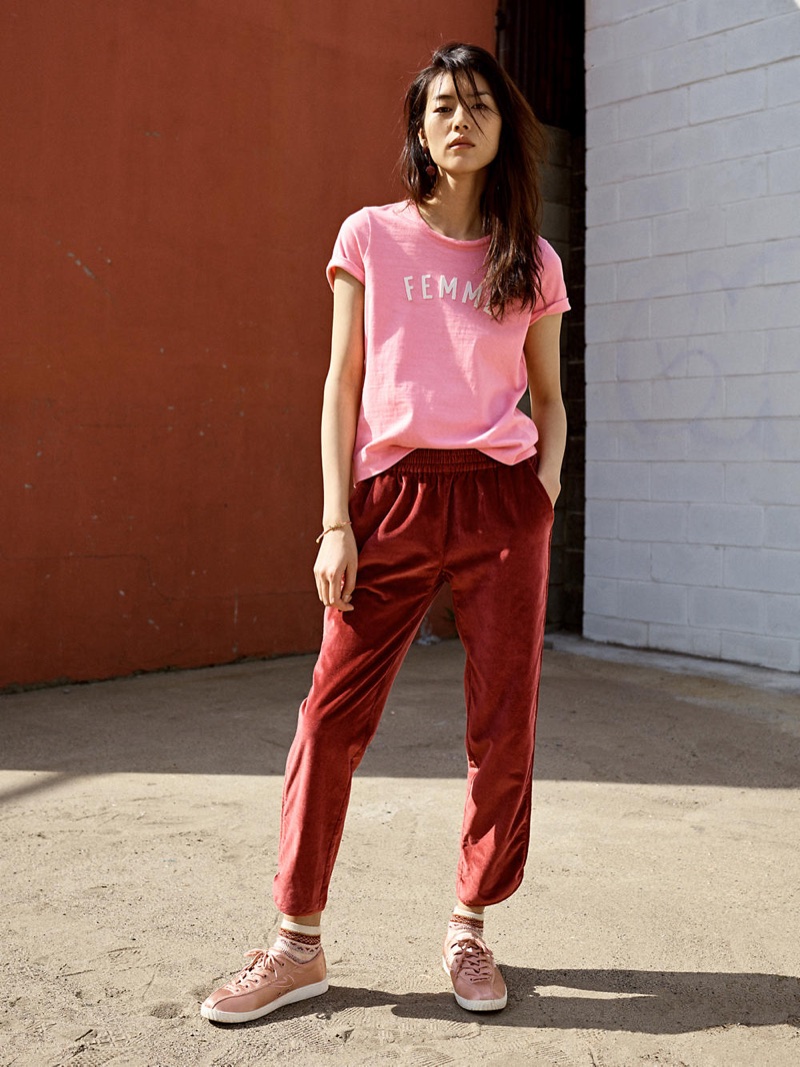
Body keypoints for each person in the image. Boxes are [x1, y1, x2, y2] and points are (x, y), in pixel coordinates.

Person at [201, 41, 569, 1025]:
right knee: (329, 716)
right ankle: (295, 941)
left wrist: (543, 486)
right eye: (442, 106)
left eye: (478, 105)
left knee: (503, 727)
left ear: (501, 129)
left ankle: (468, 925)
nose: (460, 119)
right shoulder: (368, 235)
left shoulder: (529, 257)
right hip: (389, 498)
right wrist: (335, 520)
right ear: (418, 129)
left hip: (499, 502)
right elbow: (342, 385)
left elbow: (549, 393)